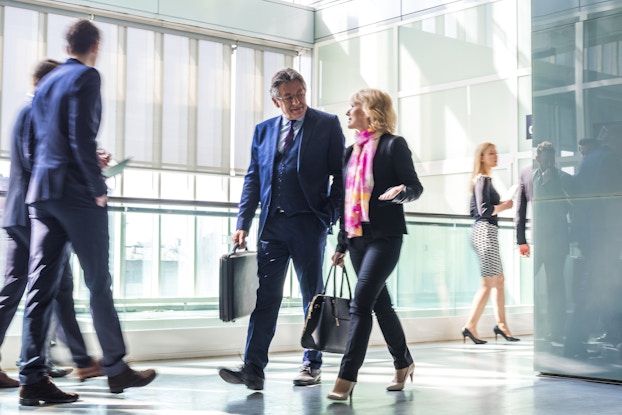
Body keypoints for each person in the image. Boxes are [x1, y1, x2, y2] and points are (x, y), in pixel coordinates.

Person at [18, 20, 156, 406]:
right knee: (98, 281)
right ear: (95, 45)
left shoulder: (46, 82)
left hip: (42, 195)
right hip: (77, 195)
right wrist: (97, 187)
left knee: (40, 290)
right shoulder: (87, 77)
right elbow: (81, 135)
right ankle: (115, 366)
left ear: (68, 44)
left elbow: (36, 144)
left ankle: (31, 378)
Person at [218, 68, 345, 390]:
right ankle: (253, 369)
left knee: (311, 298)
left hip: (308, 225)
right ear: (276, 101)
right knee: (265, 298)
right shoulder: (263, 131)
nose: (296, 101)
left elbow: (340, 176)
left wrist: (328, 216)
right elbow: (253, 178)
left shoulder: (326, 124)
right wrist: (242, 223)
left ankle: (311, 364)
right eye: (288, 97)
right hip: (272, 226)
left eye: (300, 93)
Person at [0, 59, 104, 388]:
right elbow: (40, 160)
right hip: (37, 214)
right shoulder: (37, 112)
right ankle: (72, 363)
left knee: (22, 290)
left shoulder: (26, 111)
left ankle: (62, 363)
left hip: (20, 211)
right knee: (53, 290)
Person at [326, 89, 423, 401]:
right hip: (356, 239)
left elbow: (415, 186)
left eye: (353, 105)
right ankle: (403, 362)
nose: (348, 111)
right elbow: (345, 199)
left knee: (361, 303)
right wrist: (341, 243)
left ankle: (346, 376)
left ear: (370, 110)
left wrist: (401, 192)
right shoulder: (349, 152)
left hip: (385, 236)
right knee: (380, 305)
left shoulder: (395, 145)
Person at [461, 142, 518, 344]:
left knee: (499, 280)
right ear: (482, 158)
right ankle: (470, 326)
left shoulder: (483, 180)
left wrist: (500, 205)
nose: (496, 156)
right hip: (484, 232)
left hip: (486, 231)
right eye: (491, 153)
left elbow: (473, 210)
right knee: (488, 282)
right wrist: (505, 205)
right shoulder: (482, 180)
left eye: (496, 152)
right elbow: (484, 211)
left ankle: (501, 325)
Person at [515, 141, 571, 343]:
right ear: (538, 158)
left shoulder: (563, 178)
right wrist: (521, 240)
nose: (548, 163)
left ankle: (556, 331)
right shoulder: (526, 173)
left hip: (557, 242)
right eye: (545, 159)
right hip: (536, 241)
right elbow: (520, 208)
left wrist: (550, 184)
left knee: (555, 288)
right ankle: (535, 327)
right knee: (527, 284)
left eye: (551, 159)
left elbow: (565, 209)